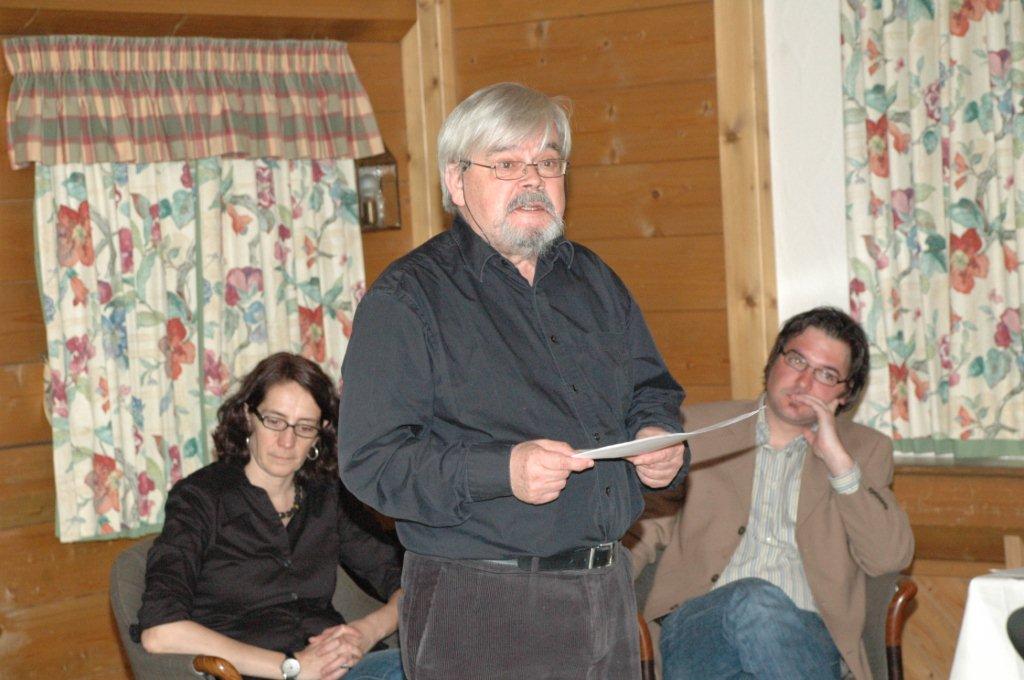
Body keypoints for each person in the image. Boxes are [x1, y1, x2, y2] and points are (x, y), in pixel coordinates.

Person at [337, 82, 687, 679]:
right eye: (505, 165)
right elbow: (372, 463)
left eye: (547, 163)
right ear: (456, 182)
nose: (532, 181)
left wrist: (657, 437)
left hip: (606, 591)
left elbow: (652, 389)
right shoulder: (407, 299)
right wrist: (502, 471)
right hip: (480, 604)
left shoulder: (594, 280)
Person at [626, 307, 914, 680]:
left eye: (826, 375)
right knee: (752, 600)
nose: (804, 382)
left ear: (845, 394)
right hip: (699, 631)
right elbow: (641, 530)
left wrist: (840, 465)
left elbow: (888, 558)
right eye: (797, 360)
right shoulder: (698, 430)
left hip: (808, 639)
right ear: (774, 359)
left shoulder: (864, 450)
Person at [137, 352, 406, 680]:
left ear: (321, 432)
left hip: (339, 669)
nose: (287, 441)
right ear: (248, 415)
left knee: (431, 665)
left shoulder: (328, 496)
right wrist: (292, 667)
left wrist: (367, 631)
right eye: (275, 421)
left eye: (304, 427)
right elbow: (159, 632)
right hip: (254, 672)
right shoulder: (200, 498)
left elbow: (412, 583)